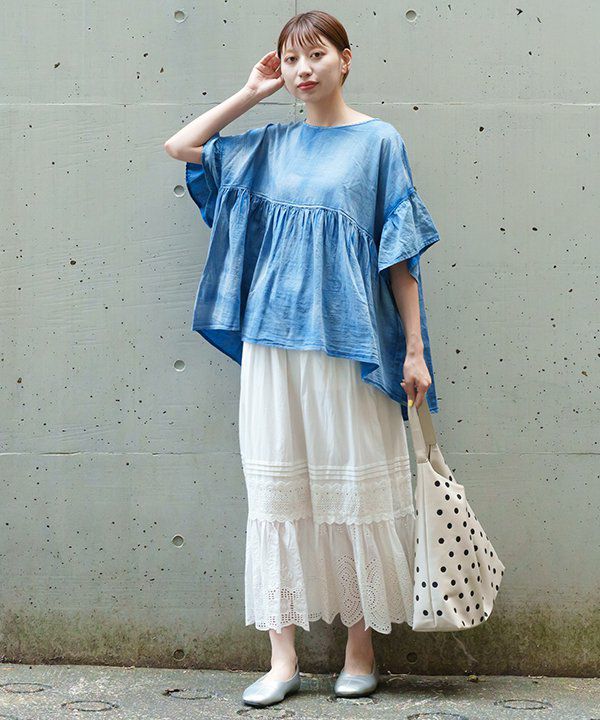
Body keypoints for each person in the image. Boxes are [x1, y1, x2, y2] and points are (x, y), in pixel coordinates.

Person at [164, 9, 442, 708]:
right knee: (277, 495)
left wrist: (414, 350)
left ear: (346, 59)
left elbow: (400, 256)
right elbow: (182, 146)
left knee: (352, 492)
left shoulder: (379, 143)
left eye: (315, 55)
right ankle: (282, 658)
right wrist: (250, 92)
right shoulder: (270, 143)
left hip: (347, 346)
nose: (302, 69)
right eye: (290, 59)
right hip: (271, 344)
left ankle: (360, 650)